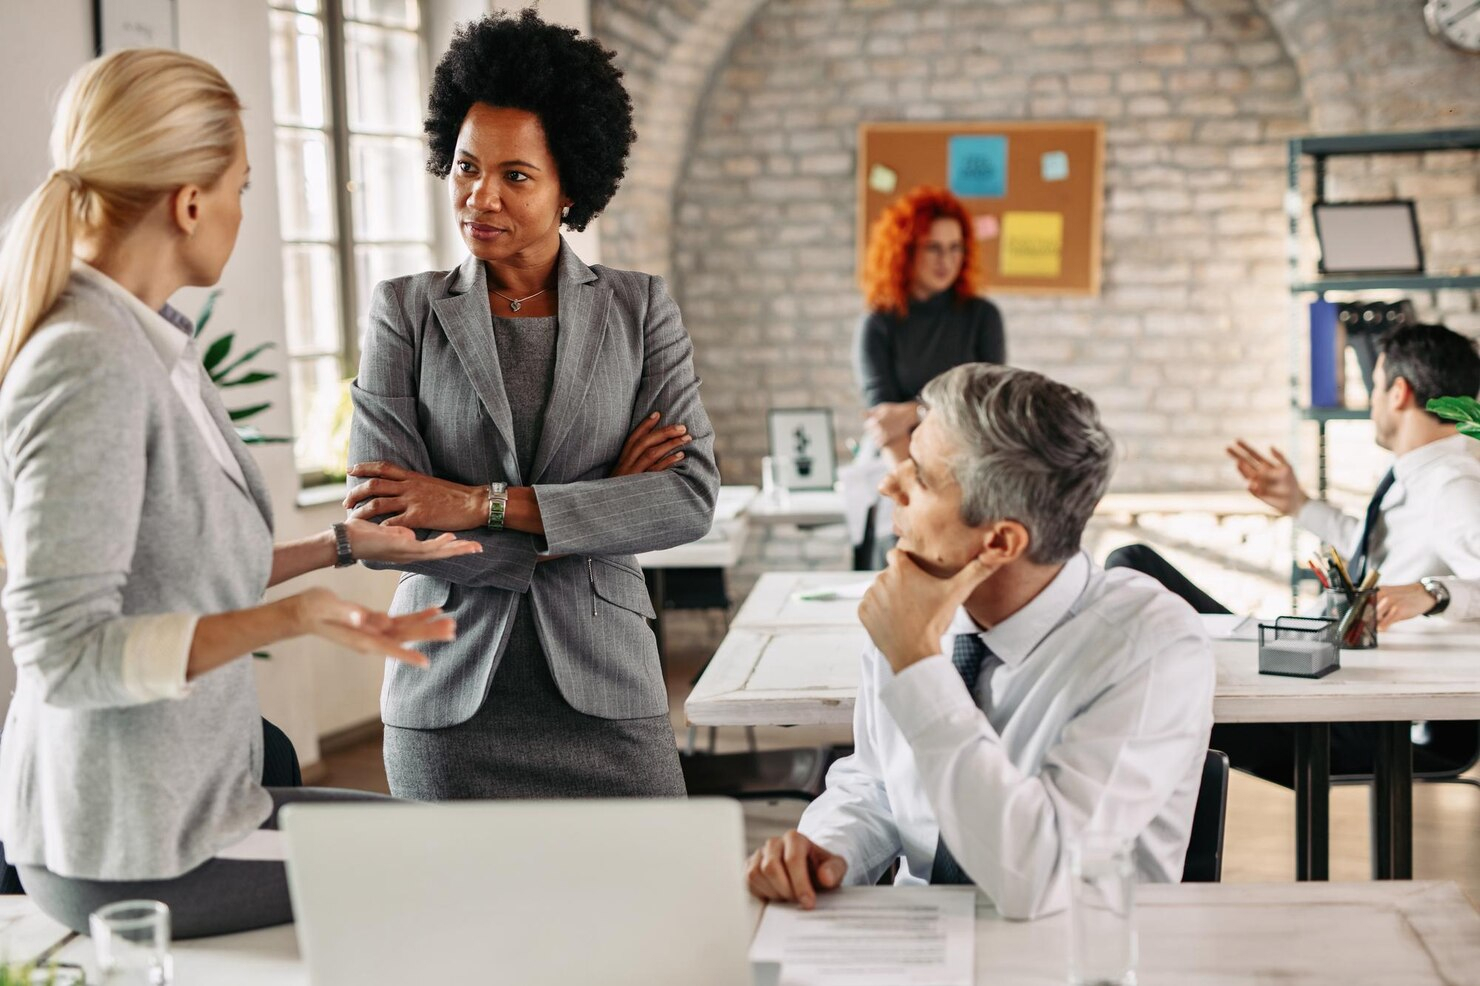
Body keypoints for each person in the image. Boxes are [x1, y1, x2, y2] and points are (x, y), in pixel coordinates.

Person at [0, 49, 478, 937]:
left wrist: (342, 544)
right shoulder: (87, 361)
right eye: (243, 187)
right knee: (451, 874)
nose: (241, 211)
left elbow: (175, 571)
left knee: (453, 858)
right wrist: (290, 620)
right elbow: (65, 652)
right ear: (190, 202)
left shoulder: (154, 345)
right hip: (126, 845)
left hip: (193, 807)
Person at [344, 11, 718, 801]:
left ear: (569, 187)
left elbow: (686, 500)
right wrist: (599, 504)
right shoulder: (404, 313)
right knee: (460, 924)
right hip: (445, 698)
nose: (481, 196)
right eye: (467, 166)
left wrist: (475, 503)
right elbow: (381, 533)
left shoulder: (638, 310)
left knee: (653, 914)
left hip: (608, 691)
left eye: (516, 176)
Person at [746, 364, 1214, 920]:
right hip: (916, 948)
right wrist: (829, 848)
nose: (888, 483)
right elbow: (876, 782)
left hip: (1076, 953)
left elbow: (1039, 878)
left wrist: (918, 665)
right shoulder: (916, 601)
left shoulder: (1153, 646)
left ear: (998, 542)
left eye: (919, 476)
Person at [1107, 322, 1480, 782]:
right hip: (1334, 679)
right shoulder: (1422, 475)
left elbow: (1446, 578)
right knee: (1138, 578)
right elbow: (1373, 555)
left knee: (1133, 574)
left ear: (1399, 392)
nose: (1373, 399)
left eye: (1375, 386)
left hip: (1365, 717)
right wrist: (1299, 505)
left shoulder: (1452, 486)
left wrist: (1434, 593)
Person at [850, 187, 1004, 568]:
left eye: (955, 248)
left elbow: (989, 410)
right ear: (906, 250)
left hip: (970, 469)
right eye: (933, 247)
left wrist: (914, 411)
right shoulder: (878, 324)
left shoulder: (982, 317)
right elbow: (885, 422)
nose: (946, 260)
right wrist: (921, 495)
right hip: (899, 468)